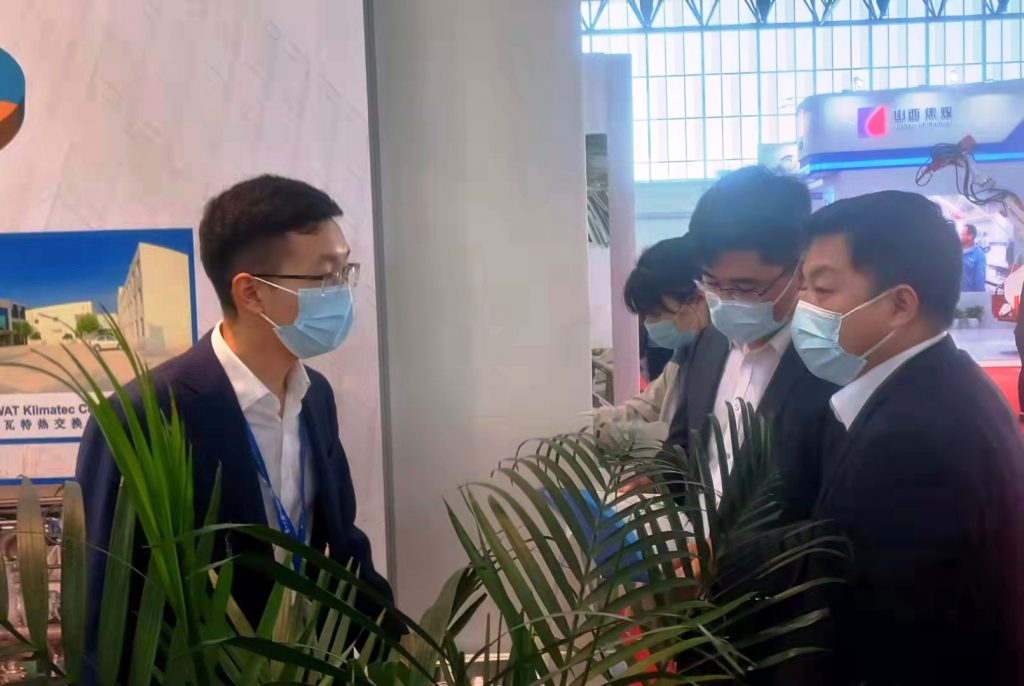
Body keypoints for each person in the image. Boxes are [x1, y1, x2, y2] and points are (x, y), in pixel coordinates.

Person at [76, 176, 402, 674]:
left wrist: (401, 660)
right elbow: (108, 603)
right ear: (251, 293)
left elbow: (343, 550)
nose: (342, 293)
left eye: (345, 270)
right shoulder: (144, 416)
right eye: (325, 276)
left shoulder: (314, 396)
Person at [791, 191, 1024, 684]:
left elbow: (894, 637)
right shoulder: (942, 384)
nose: (802, 306)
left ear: (900, 304)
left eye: (822, 290)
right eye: (803, 286)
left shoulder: (913, 441)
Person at [665, 166, 838, 521]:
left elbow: (829, 516)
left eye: (746, 287)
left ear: (800, 269)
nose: (726, 300)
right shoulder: (709, 342)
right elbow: (682, 448)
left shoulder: (832, 366)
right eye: (711, 283)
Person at [595, 235, 707, 443]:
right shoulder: (683, 358)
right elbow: (649, 405)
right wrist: (604, 420)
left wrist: (656, 440)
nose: (650, 323)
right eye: (646, 315)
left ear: (697, 298)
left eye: (656, 313)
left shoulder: (731, 359)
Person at [960, 222, 987, 291]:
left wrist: (978, 296)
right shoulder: (956, 251)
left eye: (963, 234)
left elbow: (980, 280)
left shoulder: (979, 255)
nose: (960, 236)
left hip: (969, 295)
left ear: (970, 236)